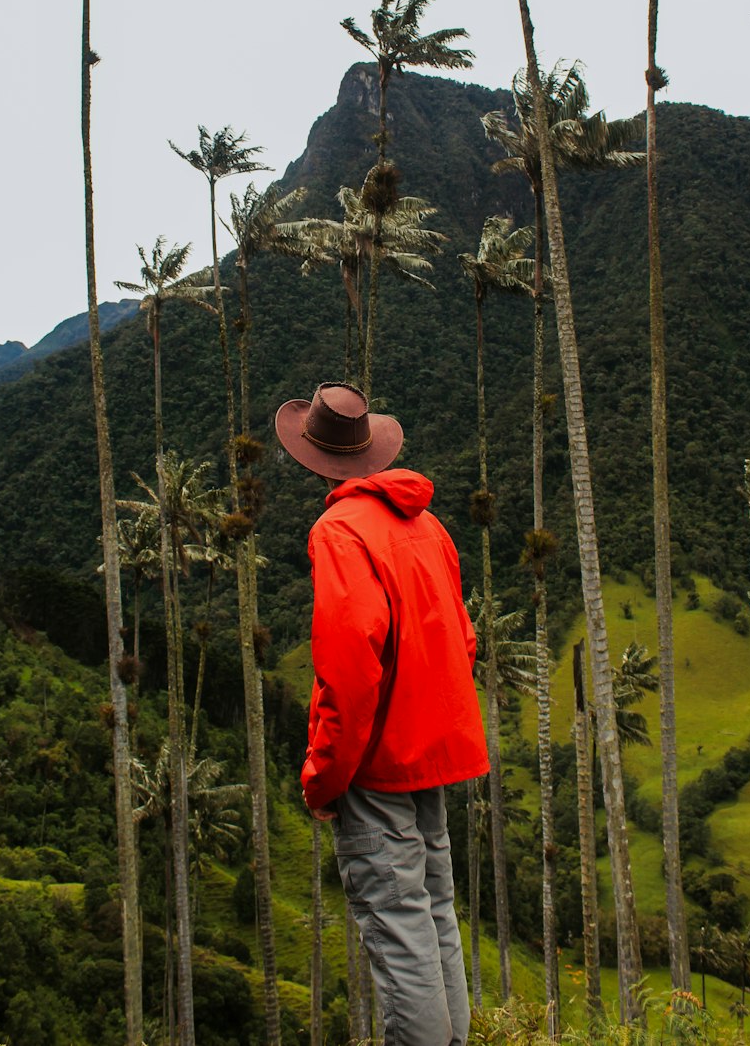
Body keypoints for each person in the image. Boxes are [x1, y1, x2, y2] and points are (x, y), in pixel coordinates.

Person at [275, 381, 488, 1046]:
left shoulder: (338, 532)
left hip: (376, 765)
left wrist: (323, 777)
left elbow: (348, 671)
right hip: (431, 754)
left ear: (314, 459)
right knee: (433, 914)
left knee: (399, 932)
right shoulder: (427, 525)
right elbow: (465, 637)